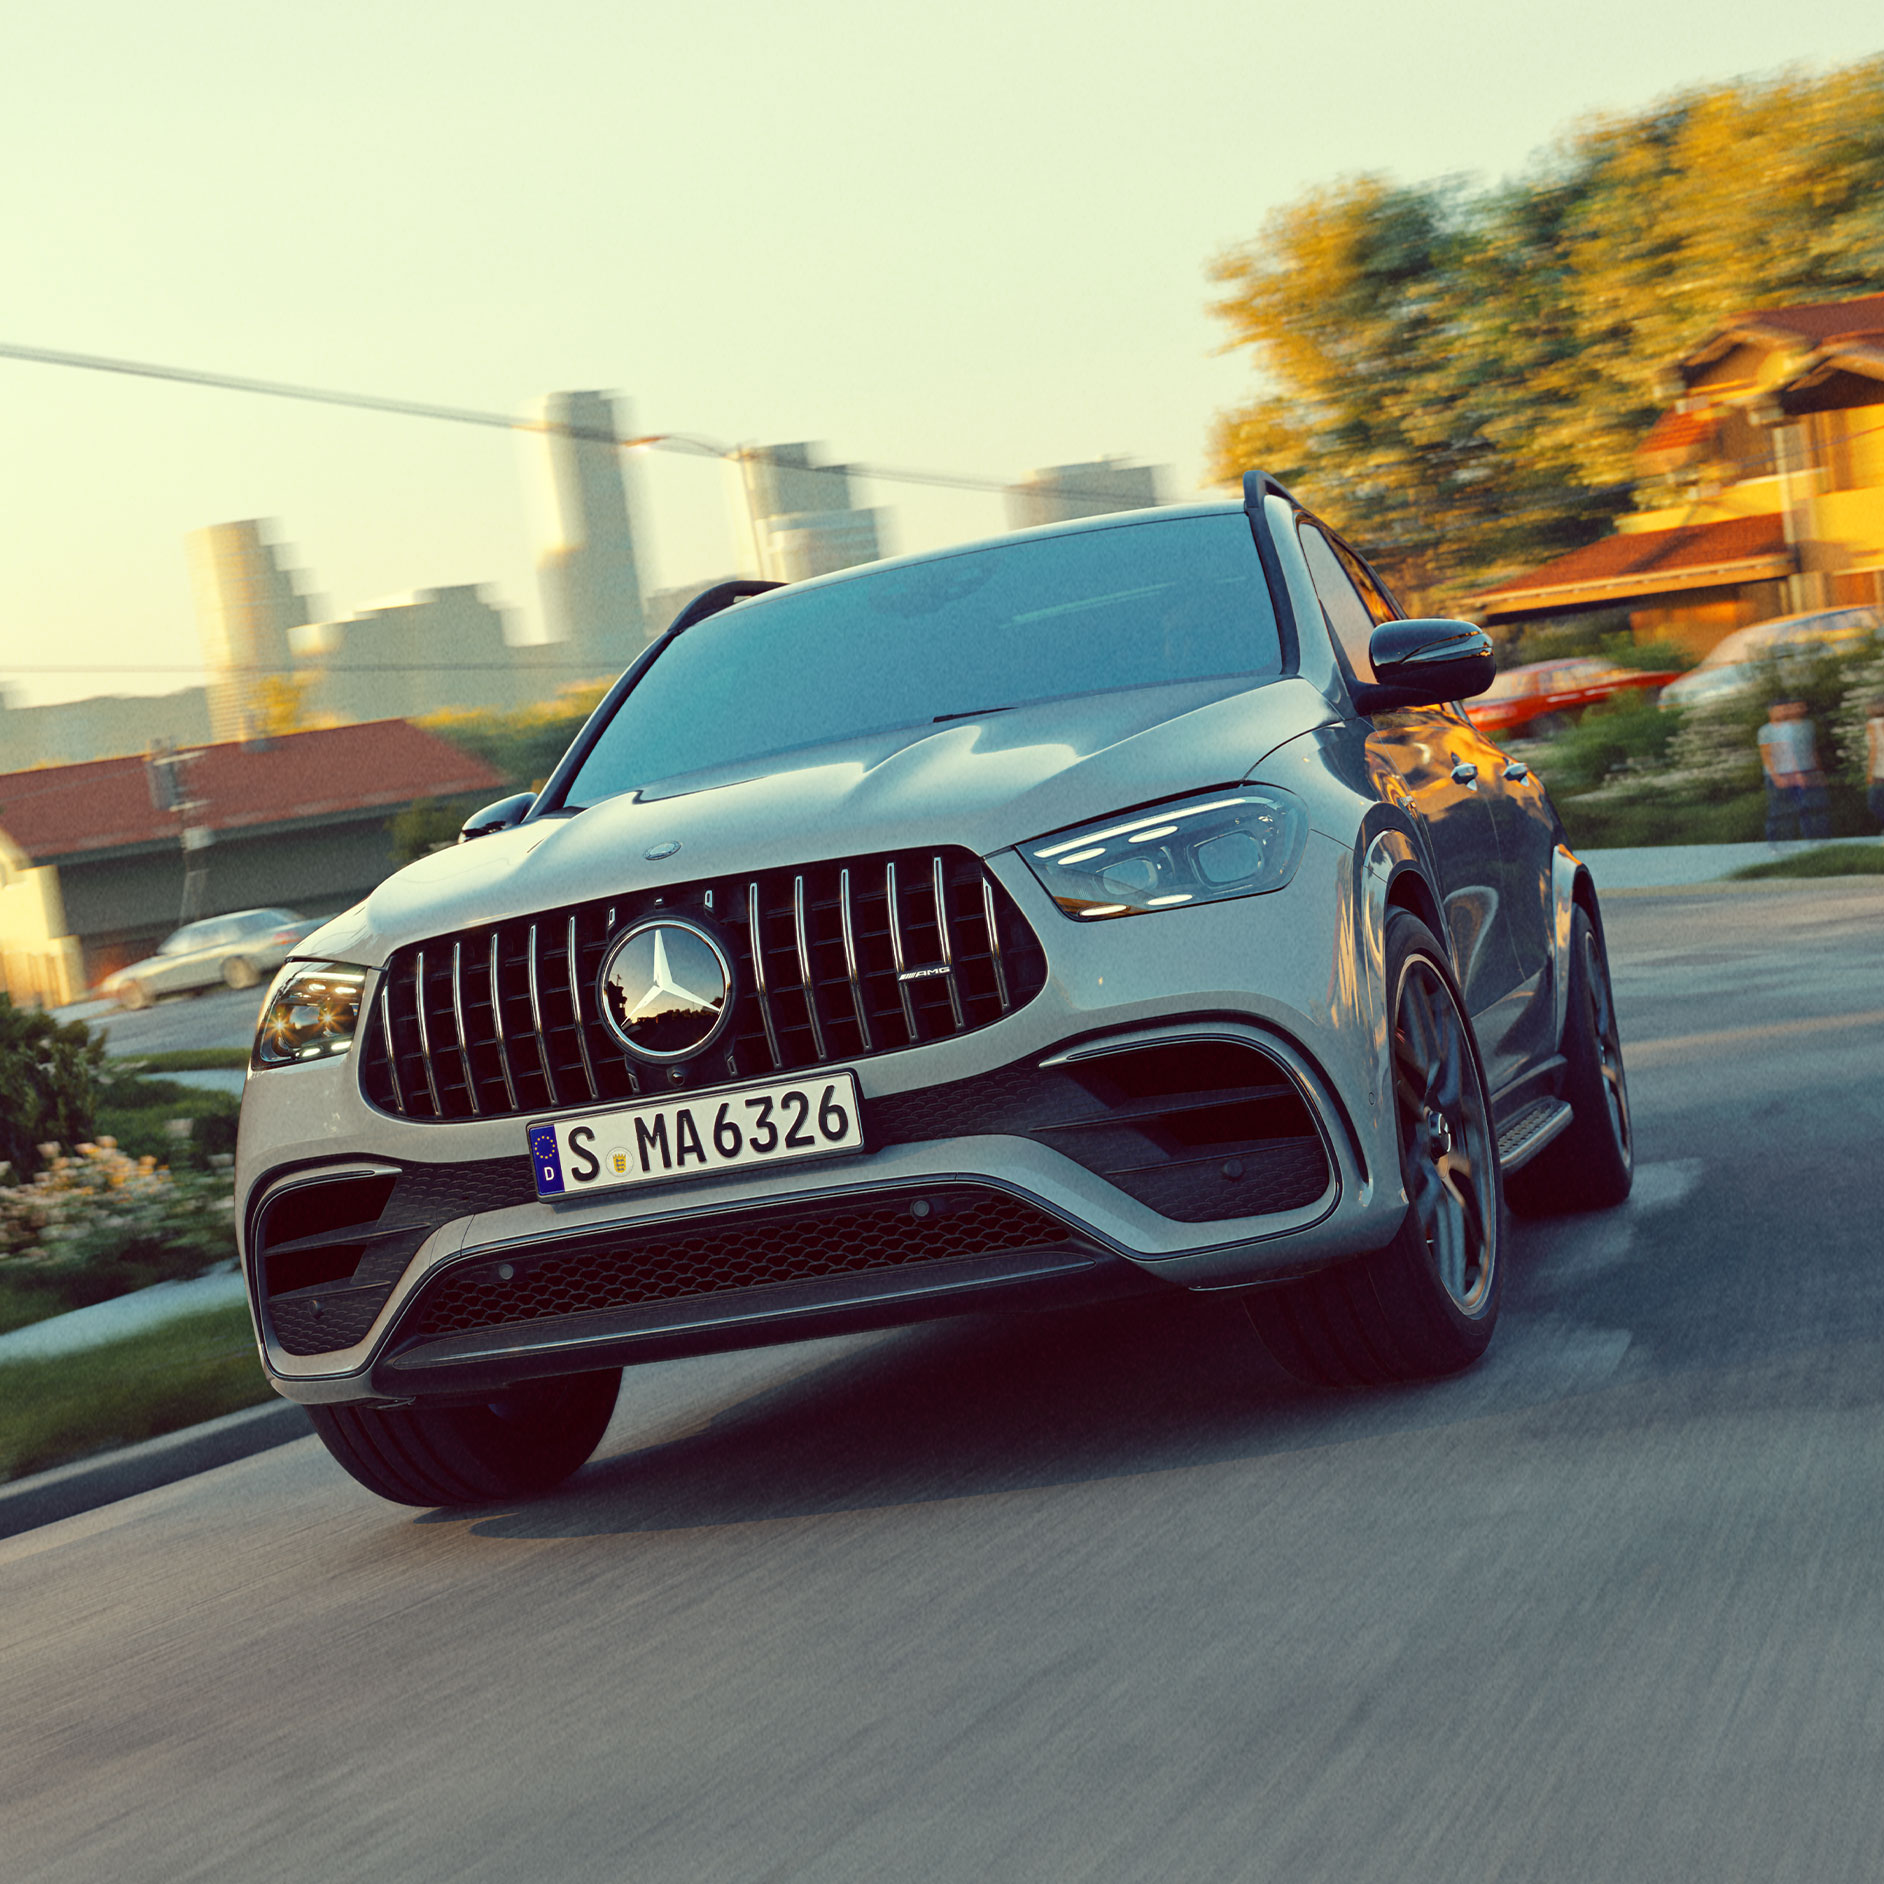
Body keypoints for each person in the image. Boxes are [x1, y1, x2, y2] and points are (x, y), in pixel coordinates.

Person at [1756, 700, 1831, 843]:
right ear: (1771, 712)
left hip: (1798, 772)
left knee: (1809, 807)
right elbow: (1766, 755)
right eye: (1779, 710)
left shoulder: (1794, 727)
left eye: (1785, 709)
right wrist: (1776, 777)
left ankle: (1815, 840)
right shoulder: (1766, 730)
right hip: (1779, 774)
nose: (1783, 712)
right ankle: (1777, 843)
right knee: (1779, 811)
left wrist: (1814, 772)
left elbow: (1804, 751)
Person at [1867, 695, 1884, 834]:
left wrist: (1870, 772)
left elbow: (1874, 749)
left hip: (1879, 771)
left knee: (1874, 803)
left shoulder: (1873, 724)